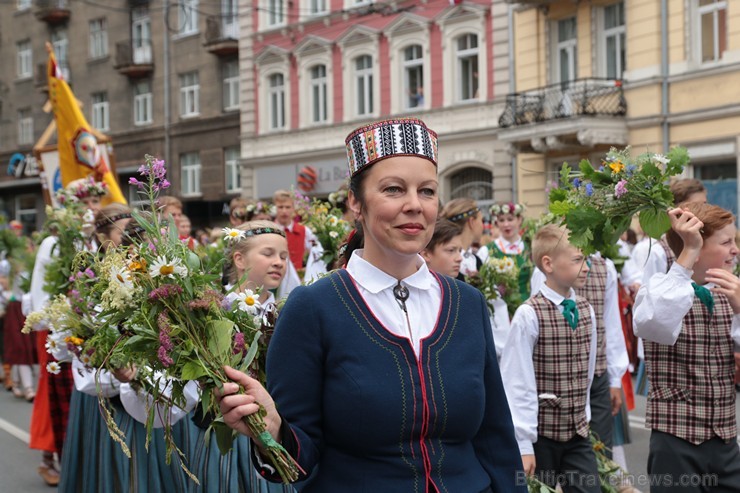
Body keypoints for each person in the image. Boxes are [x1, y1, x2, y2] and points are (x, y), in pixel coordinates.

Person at [217, 118, 525, 492]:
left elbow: (496, 440)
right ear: (355, 202)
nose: (414, 205)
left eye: (427, 191)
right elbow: (299, 462)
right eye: (394, 189)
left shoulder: (467, 303)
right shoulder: (314, 307)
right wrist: (273, 430)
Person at [60, 203, 198, 492]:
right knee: (125, 475)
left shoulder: (175, 290)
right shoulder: (104, 289)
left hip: (167, 404)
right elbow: (90, 350)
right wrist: (125, 376)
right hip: (122, 402)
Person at [633, 202, 740, 492]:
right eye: (727, 242)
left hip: (726, 441)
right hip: (676, 442)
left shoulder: (732, 292)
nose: (735, 250)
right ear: (697, 246)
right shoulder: (658, 288)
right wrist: (688, 251)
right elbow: (656, 323)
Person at [185, 220, 294, 493]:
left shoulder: (290, 311)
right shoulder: (215, 312)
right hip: (230, 432)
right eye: (268, 254)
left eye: (283, 256)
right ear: (239, 259)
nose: (278, 262)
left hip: (277, 428)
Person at [501, 224, 600, 493]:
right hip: (541, 435)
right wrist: (523, 443)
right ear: (548, 264)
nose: (587, 267)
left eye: (586, 259)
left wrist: (584, 417)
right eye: (578, 260)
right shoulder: (528, 314)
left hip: (577, 432)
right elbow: (517, 381)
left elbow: (587, 371)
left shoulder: (586, 309)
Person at [27, 176, 107, 486]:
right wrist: (52, 327)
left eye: (95, 202)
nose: (90, 209)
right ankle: (50, 456)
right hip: (57, 329)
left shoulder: (96, 241)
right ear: (70, 208)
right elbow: (41, 289)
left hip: (86, 327)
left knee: (81, 395)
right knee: (53, 393)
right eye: (84, 203)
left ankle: (74, 454)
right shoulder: (55, 240)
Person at [530, 252, 629, 459]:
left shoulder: (605, 267)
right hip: (558, 378)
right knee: (559, 448)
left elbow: (611, 322)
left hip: (598, 373)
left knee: (601, 448)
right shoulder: (548, 269)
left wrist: (615, 378)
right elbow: (538, 322)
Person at [478, 202, 532, 302]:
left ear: (519, 220)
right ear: (496, 222)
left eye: (510, 219)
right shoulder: (486, 251)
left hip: (526, 305)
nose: (506, 224)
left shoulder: (529, 249)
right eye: (501, 220)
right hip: (498, 307)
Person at [440, 198, 484, 277]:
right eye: (481, 220)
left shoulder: (476, 260)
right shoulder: (448, 264)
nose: (482, 226)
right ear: (472, 222)